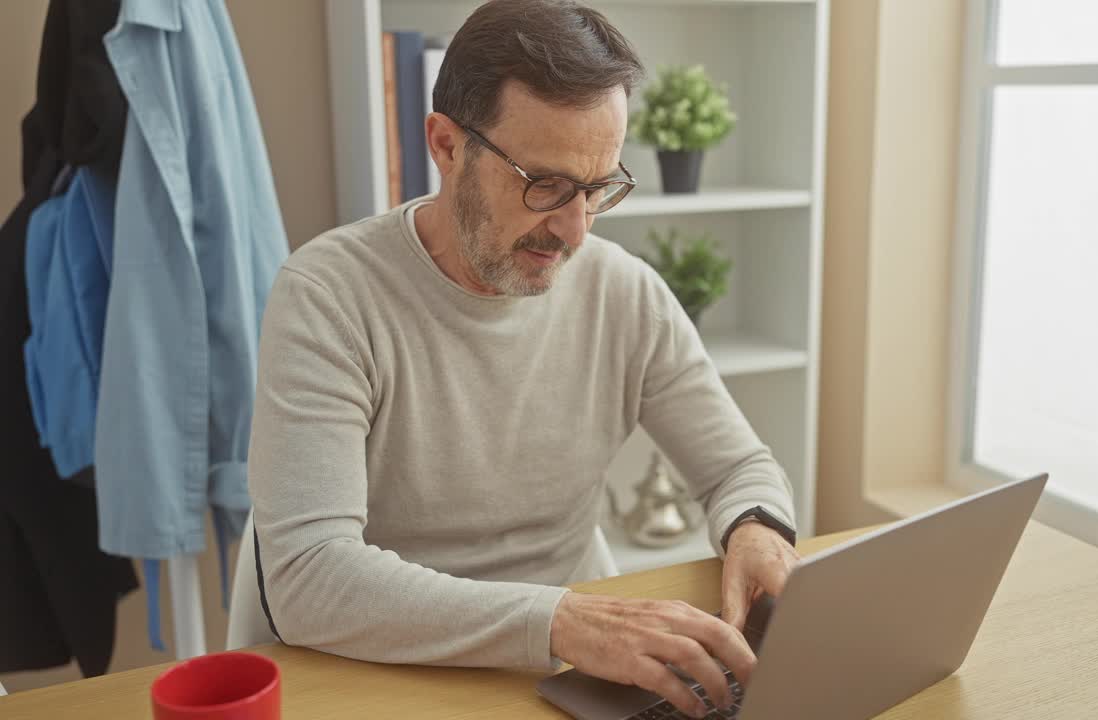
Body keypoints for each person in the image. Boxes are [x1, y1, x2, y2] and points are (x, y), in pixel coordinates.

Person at [248, 0, 798, 716]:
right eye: (545, 184)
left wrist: (757, 527)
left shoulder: (623, 291)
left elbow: (738, 467)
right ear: (445, 145)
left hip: (557, 672)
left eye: (599, 189)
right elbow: (309, 578)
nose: (574, 230)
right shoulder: (329, 295)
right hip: (378, 668)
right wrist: (558, 620)